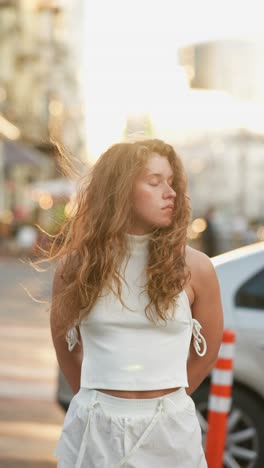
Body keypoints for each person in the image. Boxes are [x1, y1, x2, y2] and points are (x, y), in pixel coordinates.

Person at [50, 139, 224, 467]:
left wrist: (166, 401)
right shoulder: (77, 267)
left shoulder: (196, 268)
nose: (169, 192)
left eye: (171, 182)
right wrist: (100, 401)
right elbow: (66, 350)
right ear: (120, 190)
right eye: (154, 182)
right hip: (95, 428)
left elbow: (207, 353)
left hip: (170, 430)